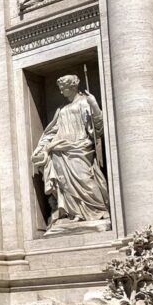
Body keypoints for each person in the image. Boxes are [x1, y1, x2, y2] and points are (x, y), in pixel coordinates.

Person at [31, 74, 110, 233]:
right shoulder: (62, 109)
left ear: (72, 87)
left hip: (80, 147)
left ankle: (99, 210)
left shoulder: (85, 102)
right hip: (60, 151)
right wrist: (42, 148)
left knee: (85, 180)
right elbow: (51, 131)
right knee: (64, 184)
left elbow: (98, 126)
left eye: (63, 88)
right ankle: (74, 213)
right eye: (59, 89)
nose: (61, 92)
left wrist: (94, 105)